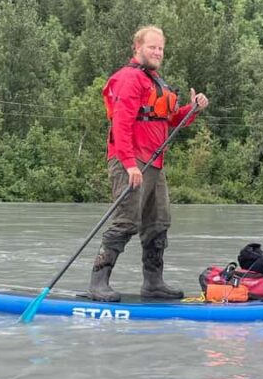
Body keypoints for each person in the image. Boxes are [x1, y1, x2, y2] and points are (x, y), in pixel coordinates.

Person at [88, 25, 209, 302]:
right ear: (137, 48)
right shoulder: (130, 79)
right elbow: (121, 123)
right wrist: (129, 164)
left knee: (158, 222)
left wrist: (193, 109)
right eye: (152, 47)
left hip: (155, 163)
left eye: (161, 48)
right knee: (125, 221)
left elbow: (169, 121)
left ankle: (153, 283)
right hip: (131, 162)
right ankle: (98, 282)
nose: (157, 52)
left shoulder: (155, 81)